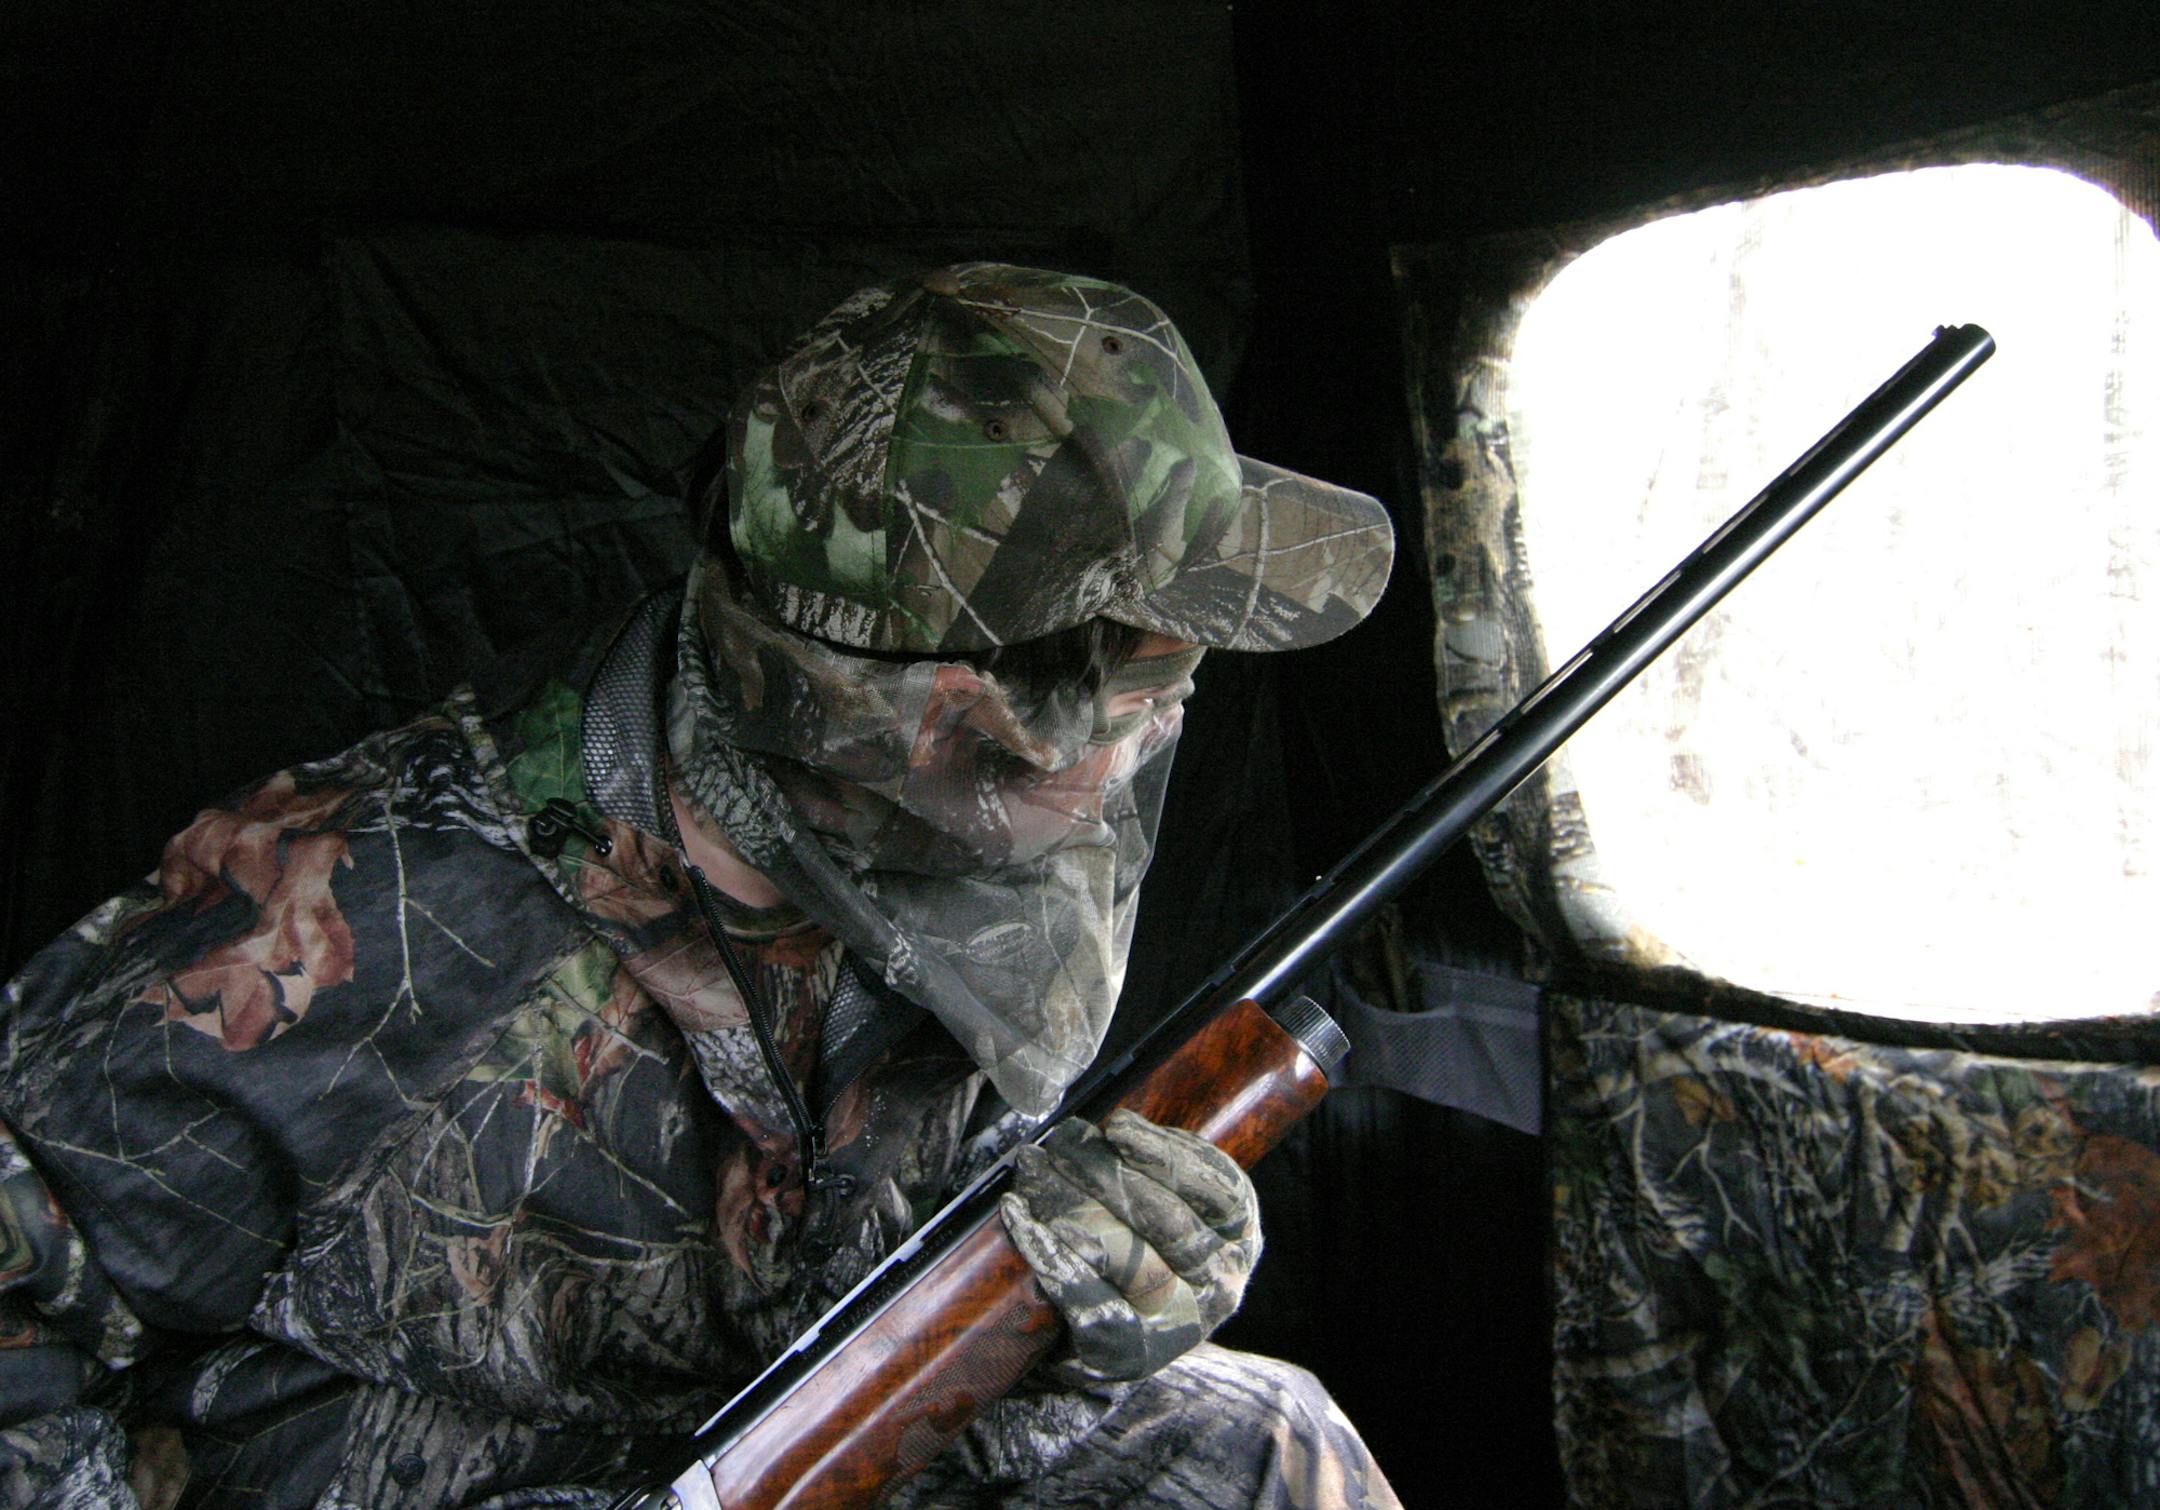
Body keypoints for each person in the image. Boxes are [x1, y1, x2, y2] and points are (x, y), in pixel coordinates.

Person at [0, 263, 1401, 1508]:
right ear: (942, 718)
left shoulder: (940, 869)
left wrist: (1067, 1307)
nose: (1169, 720)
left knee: (1266, 1449)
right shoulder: (372, 906)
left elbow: (860, 1369)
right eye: (1143, 675)